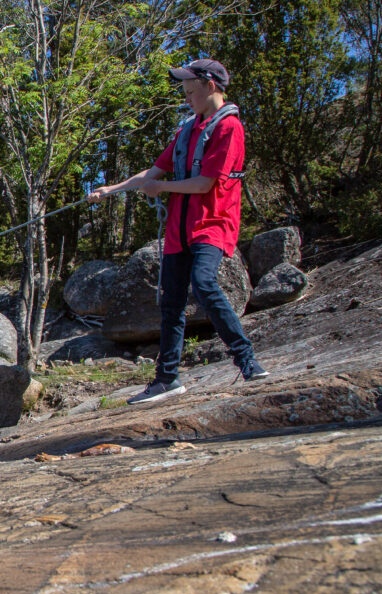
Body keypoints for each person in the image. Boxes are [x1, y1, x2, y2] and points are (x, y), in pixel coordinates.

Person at [88, 59, 269, 405]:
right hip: (178, 230)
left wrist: (163, 187)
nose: (186, 97)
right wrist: (111, 189)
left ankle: (247, 362)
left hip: (212, 224)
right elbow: (152, 172)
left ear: (210, 86)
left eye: (190, 90)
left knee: (203, 284)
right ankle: (166, 379)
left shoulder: (230, 129)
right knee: (170, 305)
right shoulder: (187, 129)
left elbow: (204, 184)